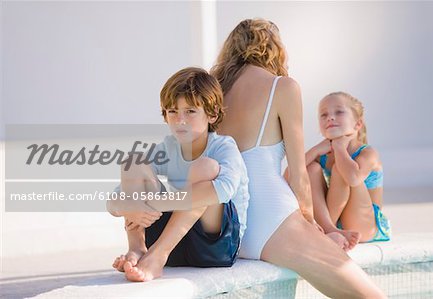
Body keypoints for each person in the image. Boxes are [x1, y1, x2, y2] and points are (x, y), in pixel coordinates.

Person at [211, 18, 386, 298]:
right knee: (371, 296)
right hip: (273, 218)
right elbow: (298, 171)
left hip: (227, 225)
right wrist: (309, 219)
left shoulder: (215, 91)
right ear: (274, 48)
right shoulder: (283, 87)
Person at [107, 67, 249, 282]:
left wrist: (153, 204)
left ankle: (157, 256)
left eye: (190, 111)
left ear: (211, 114)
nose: (180, 120)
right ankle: (138, 249)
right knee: (133, 162)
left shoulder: (223, 146)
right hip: (177, 241)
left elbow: (224, 189)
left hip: (216, 245)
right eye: (173, 111)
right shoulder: (168, 148)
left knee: (206, 168)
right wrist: (130, 206)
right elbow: (114, 200)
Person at [306, 92, 390, 249]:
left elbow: (353, 179)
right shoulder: (323, 154)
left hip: (365, 224)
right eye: (324, 115)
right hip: (337, 224)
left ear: (358, 124)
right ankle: (329, 228)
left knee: (341, 169)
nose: (330, 117)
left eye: (339, 112)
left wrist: (339, 148)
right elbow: (291, 176)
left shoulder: (368, 153)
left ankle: (325, 230)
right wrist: (316, 150)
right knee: (310, 168)